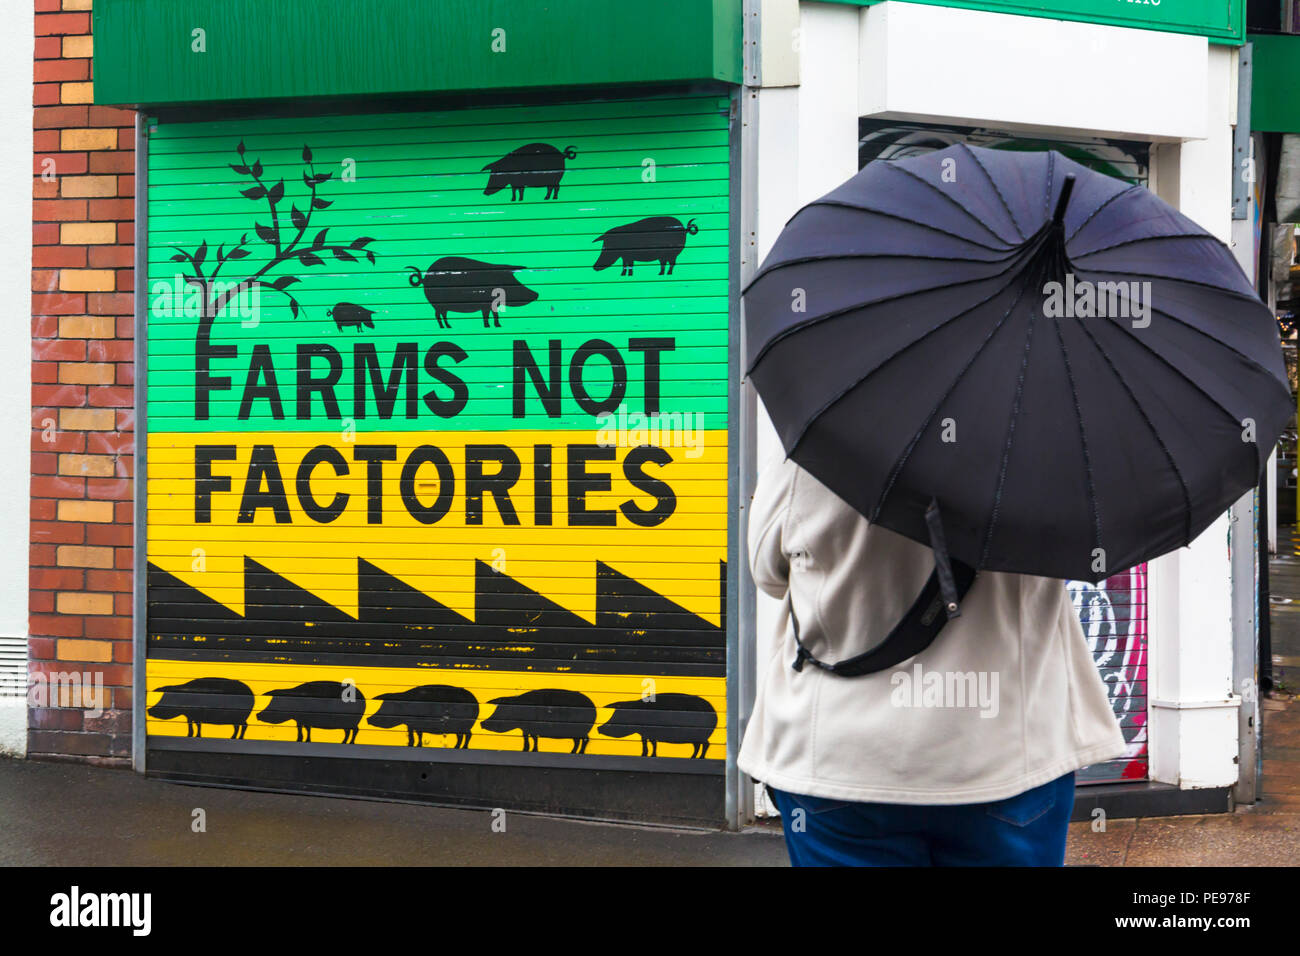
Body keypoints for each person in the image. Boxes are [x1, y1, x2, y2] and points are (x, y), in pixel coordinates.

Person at [738, 454, 1127, 866]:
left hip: (841, 763)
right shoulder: (1046, 442)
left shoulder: (813, 441)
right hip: (1008, 758)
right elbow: (1088, 551)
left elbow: (768, 573)